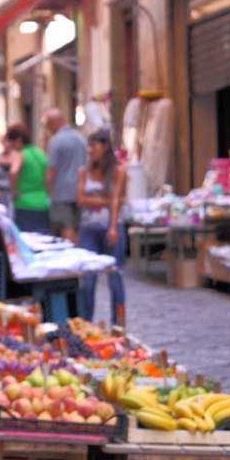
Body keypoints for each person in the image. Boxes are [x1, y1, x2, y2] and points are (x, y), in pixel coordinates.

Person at [75, 129, 126, 324]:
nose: (90, 150)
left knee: (115, 278)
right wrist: (106, 199)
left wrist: (112, 227)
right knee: (88, 280)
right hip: (88, 229)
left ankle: (118, 325)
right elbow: (80, 198)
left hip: (110, 228)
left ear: (105, 147)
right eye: (88, 146)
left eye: (93, 146)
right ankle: (85, 322)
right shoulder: (83, 172)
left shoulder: (117, 171)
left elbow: (115, 202)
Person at [44, 108, 87, 244]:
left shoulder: (55, 141)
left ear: (56, 122)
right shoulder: (80, 138)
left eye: (49, 124)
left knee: (66, 226)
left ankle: (70, 258)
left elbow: (51, 171)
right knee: (77, 226)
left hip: (61, 191)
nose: (48, 128)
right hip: (81, 188)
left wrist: (49, 194)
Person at [6, 123, 50, 234]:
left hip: (25, 203)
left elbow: (13, 171)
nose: (10, 145)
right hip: (43, 201)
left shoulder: (20, 154)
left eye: (12, 141)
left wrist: (13, 191)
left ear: (19, 140)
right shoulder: (40, 154)